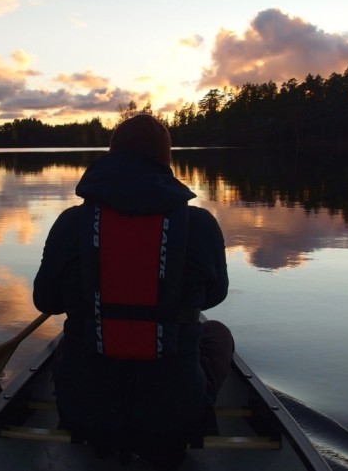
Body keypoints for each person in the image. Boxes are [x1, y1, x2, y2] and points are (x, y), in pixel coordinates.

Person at [33, 114, 233, 470]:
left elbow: (45, 302)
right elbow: (213, 298)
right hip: (175, 415)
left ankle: (102, 437)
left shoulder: (70, 224)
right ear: (165, 162)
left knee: (67, 342)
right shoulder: (200, 225)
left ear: (112, 156)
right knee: (217, 333)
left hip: (86, 413)